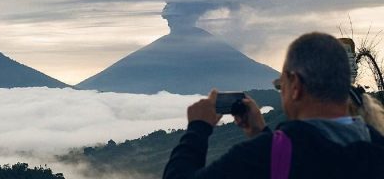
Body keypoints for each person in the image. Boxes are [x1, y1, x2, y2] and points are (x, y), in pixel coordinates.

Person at [163, 32, 384, 179]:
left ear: (295, 85)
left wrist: (198, 128)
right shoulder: (376, 148)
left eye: (281, 85)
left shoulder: (261, 156)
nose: (282, 92)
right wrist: (260, 133)